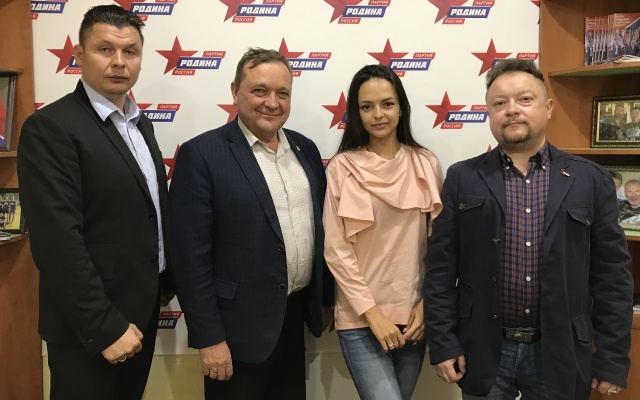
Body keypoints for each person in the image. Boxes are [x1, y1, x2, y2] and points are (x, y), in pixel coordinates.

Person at [423, 58, 633, 399]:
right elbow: (441, 271)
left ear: (547, 108)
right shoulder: (463, 177)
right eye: (499, 103)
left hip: (560, 350)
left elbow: (611, 276)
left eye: (524, 99)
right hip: (484, 348)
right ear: (489, 113)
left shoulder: (590, 179)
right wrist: (443, 343)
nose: (512, 110)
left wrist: (612, 358)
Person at [17, 5, 172, 400]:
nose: (119, 62)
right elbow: (57, 242)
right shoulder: (51, 127)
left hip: (141, 315)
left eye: (130, 51)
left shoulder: (141, 124)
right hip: (90, 329)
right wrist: (104, 326)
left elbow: (147, 213)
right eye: (105, 49)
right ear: (79, 55)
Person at [169, 47, 334, 400]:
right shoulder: (202, 154)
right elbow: (189, 258)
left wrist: (324, 299)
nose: (272, 103)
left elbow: (320, 232)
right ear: (235, 91)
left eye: (282, 93)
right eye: (260, 90)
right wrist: (209, 337)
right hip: (234, 332)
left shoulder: (305, 150)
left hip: (293, 319)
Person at [323, 64, 443, 400]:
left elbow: (440, 246)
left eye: (387, 104)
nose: (378, 114)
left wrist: (427, 303)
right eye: (367, 106)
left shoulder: (426, 163)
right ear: (356, 113)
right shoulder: (342, 167)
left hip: (415, 317)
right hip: (362, 318)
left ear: (401, 108)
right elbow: (336, 250)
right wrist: (372, 314)